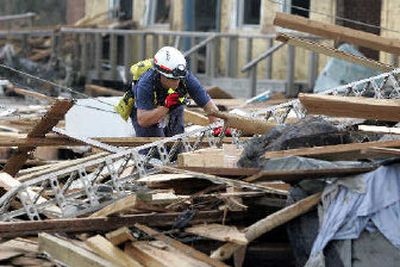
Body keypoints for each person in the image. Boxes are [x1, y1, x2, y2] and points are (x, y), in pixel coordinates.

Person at [130, 46, 220, 137]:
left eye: (178, 79)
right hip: (148, 111)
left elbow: (208, 105)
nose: (176, 82)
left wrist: (218, 127)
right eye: (172, 79)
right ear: (161, 74)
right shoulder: (146, 83)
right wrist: (165, 107)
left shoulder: (186, 78)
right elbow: (143, 120)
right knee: (154, 147)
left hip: (173, 107)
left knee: (178, 143)